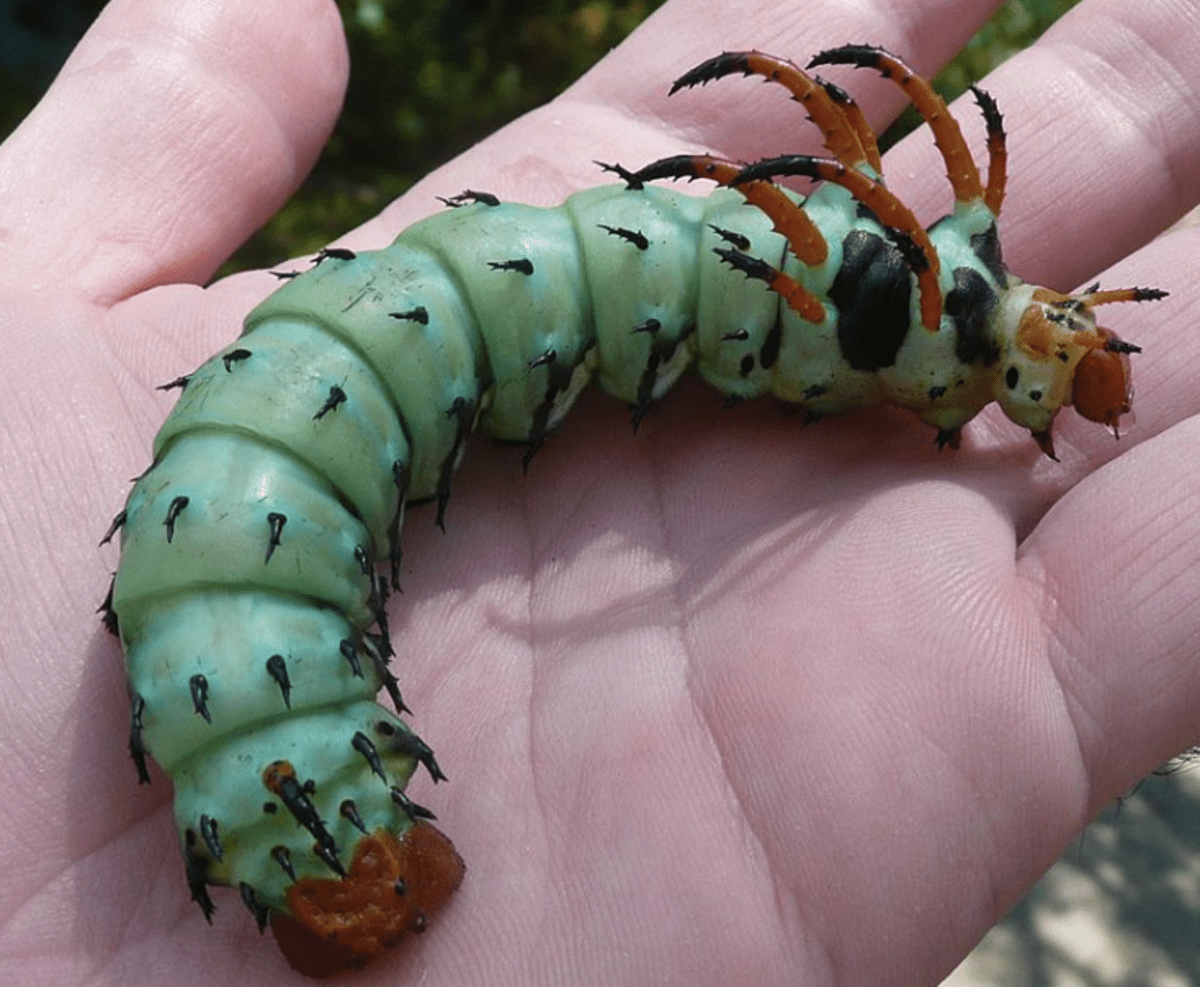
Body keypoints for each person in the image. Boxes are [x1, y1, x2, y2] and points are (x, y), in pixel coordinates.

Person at [2, 0, 1198, 983]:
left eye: (328, 832)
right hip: (712, 294)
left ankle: (958, 328)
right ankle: (945, 324)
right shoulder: (242, 535)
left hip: (751, 295)